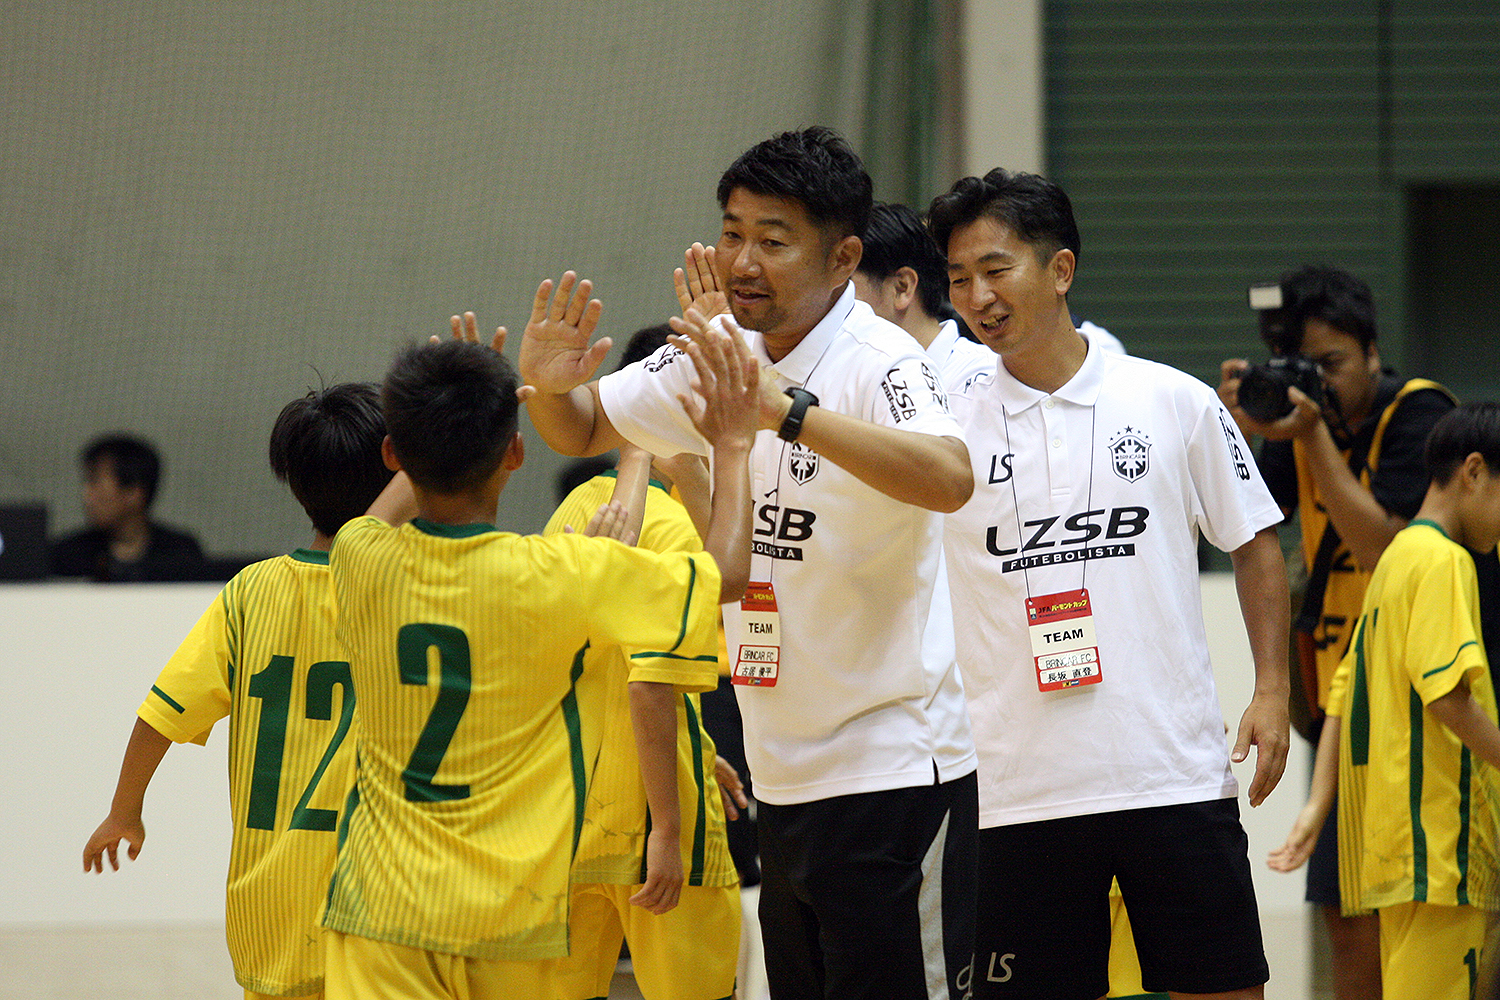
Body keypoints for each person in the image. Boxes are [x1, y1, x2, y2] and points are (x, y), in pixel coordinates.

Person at [521, 126, 979, 999]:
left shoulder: (881, 359)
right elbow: (581, 428)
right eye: (732, 233)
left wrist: (788, 411)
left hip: (891, 767)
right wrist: (549, 385)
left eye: (773, 240)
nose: (742, 261)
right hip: (781, 770)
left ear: (843, 258)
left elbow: (950, 477)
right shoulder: (720, 349)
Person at [928, 167, 1290, 1000]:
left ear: (1060, 269)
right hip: (1019, 792)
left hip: (1172, 773)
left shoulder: (1172, 400)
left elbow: (1254, 540)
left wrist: (1273, 688)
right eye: (959, 279)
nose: (977, 298)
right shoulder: (941, 423)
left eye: (995, 270)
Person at [319, 323, 755, 1000]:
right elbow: (727, 577)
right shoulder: (564, 573)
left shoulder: (357, 555)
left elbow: (383, 512)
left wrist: (460, 399)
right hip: (508, 911)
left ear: (392, 452)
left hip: (380, 905)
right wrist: (733, 447)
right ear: (516, 453)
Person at [82, 383, 398, 999]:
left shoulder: (251, 593)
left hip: (269, 900)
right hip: (381, 890)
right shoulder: (409, 588)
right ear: (396, 468)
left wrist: (125, 810)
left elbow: (161, 714)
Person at [1219, 265, 1456, 998]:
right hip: (1339, 702)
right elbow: (1243, 523)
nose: (1316, 384)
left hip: (1421, 703)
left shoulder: (1421, 414)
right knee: (1345, 913)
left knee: (1416, 910)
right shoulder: (1297, 425)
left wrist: (1312, 436)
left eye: (1332, 364)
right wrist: (1231, 432)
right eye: (1302, 367)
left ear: (1373, 352)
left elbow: (1383, 546)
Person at [542, 321, 747, 1000]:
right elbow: (648, 685)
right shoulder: (675, 523)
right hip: (659, 816)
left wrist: (697, 749)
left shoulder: (572, 509)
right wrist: (668, 822)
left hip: (570, 815)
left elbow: (585, 668)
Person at [1268, 402, 1500, 1000]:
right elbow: (1447, 698)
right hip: (1442, 852)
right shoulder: (1445, 560)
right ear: (1474, 471)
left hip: (1393, 852)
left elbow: (1342, 692)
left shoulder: (1395, 559)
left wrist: (1317, 805)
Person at [50, 433, 205, 581]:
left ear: (134, 493)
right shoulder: (68, 555)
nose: (87, 496)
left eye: (95, 483)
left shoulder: (180, 555)